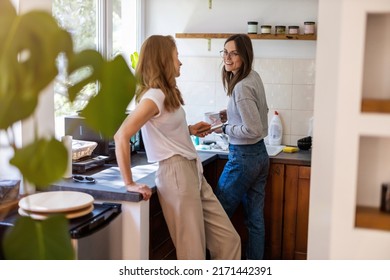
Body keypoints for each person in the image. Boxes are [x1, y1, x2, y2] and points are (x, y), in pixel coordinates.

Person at [114, 35, 241, 260]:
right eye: (176, 57)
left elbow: (164, 129)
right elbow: (122, 135)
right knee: (193, 256)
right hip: (176, 174)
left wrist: (190, 130)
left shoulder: (165, 94)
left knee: (229, 241)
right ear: (163, 60)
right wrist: (129, 183)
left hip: (192, 171)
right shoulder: (153, 97)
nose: (180, 62)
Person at [214, 34, 269, 260]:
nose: (227, 57)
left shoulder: (241, 87)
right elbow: (256, 114)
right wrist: (232, 114)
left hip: (243, 159)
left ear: (244, 55)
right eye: (225, 52)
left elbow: (253, 129)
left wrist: (225, 129)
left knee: (215, 214)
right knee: (255, 220)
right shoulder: (252, 77)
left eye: (234, 53)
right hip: (260, 156)